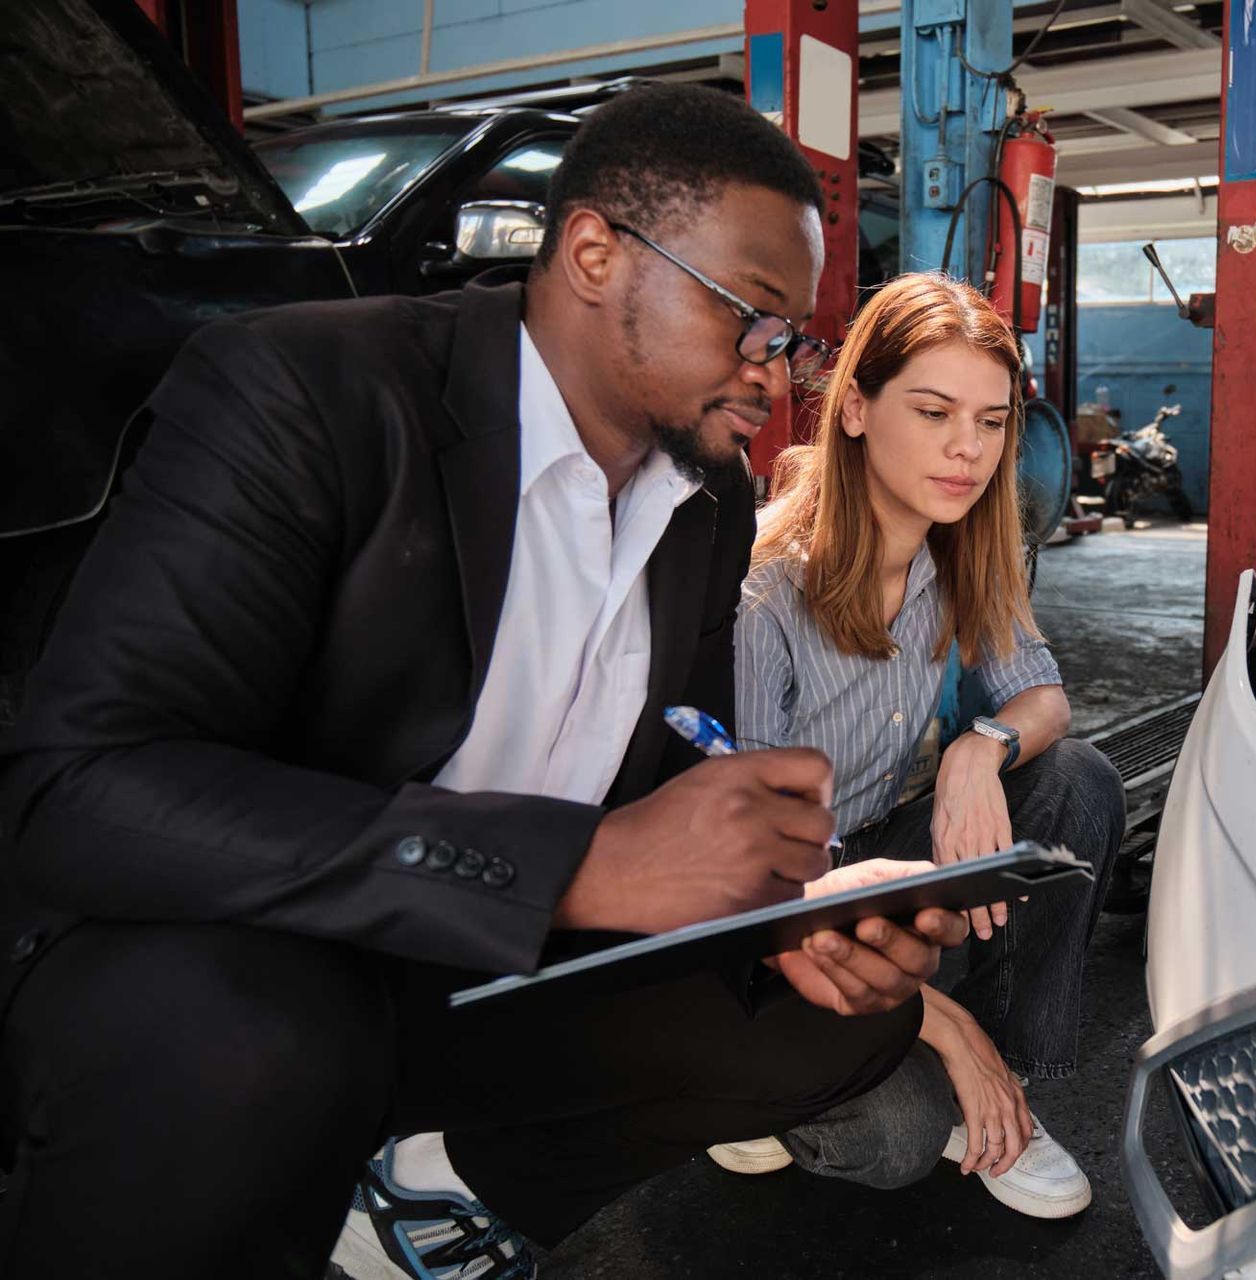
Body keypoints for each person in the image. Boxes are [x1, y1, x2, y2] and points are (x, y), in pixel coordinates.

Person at [0, 84, 971, 1279]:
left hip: (496, 962)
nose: (778, 371)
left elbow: (672, 744)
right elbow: (82, 787)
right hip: (254, 958)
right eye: (750, 316)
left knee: (850, 1012)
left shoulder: (706, 497)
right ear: (596, 252)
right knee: (262, 1048)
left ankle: (421, 1209)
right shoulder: (302, 393)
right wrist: (580, 864)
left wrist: (782, 906)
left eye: (794, 336)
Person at [710, 273, 1126, 1218]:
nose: (967, 450)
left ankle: (1010, 1092)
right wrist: (943, 1028)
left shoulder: (961, 551)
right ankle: (745, 1084)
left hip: (874, 866)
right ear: (854, 408)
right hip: (770, 913)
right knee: (891, 1139)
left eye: (989, 422)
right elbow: (752, 883)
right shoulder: (766, 592)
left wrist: (977, 749)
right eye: (934, 411)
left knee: (1076, 784)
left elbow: (1044, 703)